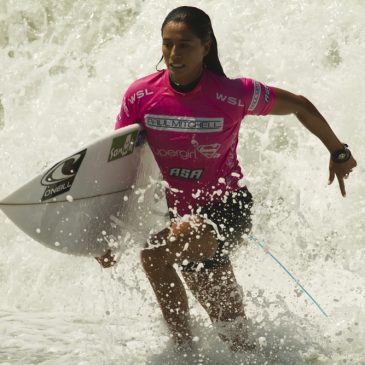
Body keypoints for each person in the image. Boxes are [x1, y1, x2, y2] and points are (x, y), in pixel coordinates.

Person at [96, 6, 357, 352]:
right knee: (237, 341)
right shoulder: (140, 96)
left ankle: (182, 353)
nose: (174, 54)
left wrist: (338, 152)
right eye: (167, 44)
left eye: (185, 45)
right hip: (180, 220)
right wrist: (107, 235)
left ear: (206, 46)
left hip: (227, 209)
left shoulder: (233, 94)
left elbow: (300, 106)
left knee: (154, 255)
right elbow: (121, 166)